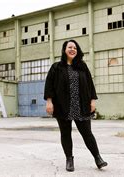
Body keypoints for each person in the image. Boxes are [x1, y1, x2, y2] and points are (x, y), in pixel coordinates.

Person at [44, 40, 108, 172]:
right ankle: (69, 160)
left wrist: (92, 101)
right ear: (64, 50)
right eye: (69, 47)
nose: (72, 49)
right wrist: (49, 101)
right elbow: (49, 84)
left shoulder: (82, 66)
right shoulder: (56, 67)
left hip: (82, 106)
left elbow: (90, 84)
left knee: (87, 134)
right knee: (66, 134)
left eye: (75, 47)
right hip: (62, 106)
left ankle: (98, 158)